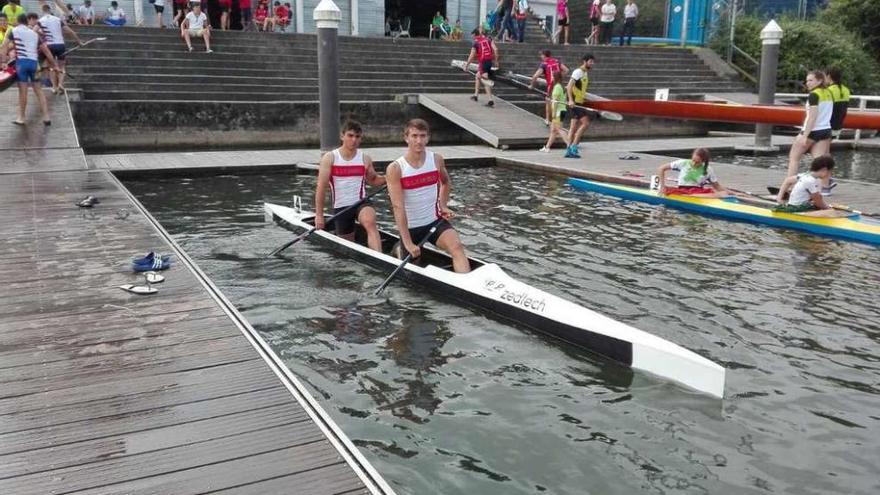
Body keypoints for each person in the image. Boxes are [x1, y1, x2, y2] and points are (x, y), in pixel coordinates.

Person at [386, 119, 470, 273]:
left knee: (457, 247)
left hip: (435, 222)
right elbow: (398, 207)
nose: (419, 141)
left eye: (422, 136)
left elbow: (445, 182)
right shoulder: (395, 168)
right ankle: (400, 246)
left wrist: (443, 205)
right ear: (406, 138)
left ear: (428, 138)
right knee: (411, 270)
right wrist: (408, 242)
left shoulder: (436, 160)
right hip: (411, 228)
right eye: (414, 136)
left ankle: (470, 289)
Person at [315, 120, 385, 251]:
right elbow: (321, 188)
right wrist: (319, 215)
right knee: (347, 248)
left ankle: (379, 256)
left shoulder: (365, 158)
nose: (354, 140)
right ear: (342, 136)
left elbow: (374, 180)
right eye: (350, 135)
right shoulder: (330, 158)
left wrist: (390, 178)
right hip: (341, 207)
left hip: (361, 202)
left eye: (357, 137)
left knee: (370, 222)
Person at [0, 13, 59, 125]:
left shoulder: (14, 31)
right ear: (27, 22)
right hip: (34, 64)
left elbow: (4, 46)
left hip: (22, 64)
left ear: (17, 21)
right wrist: (55, 65)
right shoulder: (34, 34)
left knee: (23, 92)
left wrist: (3, 62)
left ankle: (21, 118)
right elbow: (46, 51)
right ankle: (46, 117)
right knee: (39, 91)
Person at [785, 70, 832, 180]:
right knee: (820, 162)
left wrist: (804, 136)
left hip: (812, 130)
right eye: (807, 80)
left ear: (820, 80)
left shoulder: (814, 95)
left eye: (811, 80)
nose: (808, 83)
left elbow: (812, 117)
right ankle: (822, 187)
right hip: (825, 130)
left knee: (794, 158)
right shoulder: (828, 93)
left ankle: (790, 186)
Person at [38, 3, 83, 94]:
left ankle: (54, 87)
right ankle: (61, 84)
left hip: (50, 46)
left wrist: (40, 34)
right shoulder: (58, 19)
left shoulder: (41, 20)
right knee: (62, 66)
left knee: (52, 67)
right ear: (50, 10)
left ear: (42, 11)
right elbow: (70, 31)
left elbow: (33, 31)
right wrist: (79, 42)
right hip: (60, 45)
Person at [656, 148, 727, 197]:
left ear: (703, 161)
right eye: (693, 160)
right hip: (683, 191)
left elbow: (717, 186)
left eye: (697, 162)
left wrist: (732, 193)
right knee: (719, 194)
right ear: (692, 156)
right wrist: (662, 186)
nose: (694, 164)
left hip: (698, 191)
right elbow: (661, 168)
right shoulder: (682, 163)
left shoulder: (708, 169)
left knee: (722, 193)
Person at [565, 53, 595, 158]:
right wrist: (571, 100)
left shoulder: (585, 73)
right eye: (590, 61)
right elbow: (569, 87)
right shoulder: (578, 72)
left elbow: (581, 90)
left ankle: (568, 150)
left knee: (573, 127)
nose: (592, 64)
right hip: (575, 103)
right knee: (586, 123)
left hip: (579, 102)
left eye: (592, 62)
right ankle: (574, 147)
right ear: (585, 61)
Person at [529, 49, 568, 125]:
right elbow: (566, 70)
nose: (541, 57)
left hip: (551, 86)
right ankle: (557, 119)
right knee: (559, 102)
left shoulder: (544, 64)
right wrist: (559, 77)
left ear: (544, 55)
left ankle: (548, 119)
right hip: (560, 85)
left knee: (548, 102)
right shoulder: (557, 61)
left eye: (541, 55)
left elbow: (535, 76)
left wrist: (532, 85)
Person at [464, 27, 498, 107]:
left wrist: (467, 65)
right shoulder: (487, 40)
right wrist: (496, 60)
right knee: (477, 76)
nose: (473, 38)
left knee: (485, 81)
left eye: (473, 36)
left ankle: (490, 100)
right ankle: (476, 95)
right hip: (489, 62)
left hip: (483, 62)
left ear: (476, 35)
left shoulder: (476, 43)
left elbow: (471, 56)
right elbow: (494, 50)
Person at [540, 71, 570, 153]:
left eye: (553, 76)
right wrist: (550, 100)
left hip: (558, 111)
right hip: (562, 110)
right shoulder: (561, 87)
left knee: (559, 129)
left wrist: (553, 113)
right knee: (553, 130)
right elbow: (557, 99)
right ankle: (547, 147)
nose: (552, 78)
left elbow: (556, 101)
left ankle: (569, 145)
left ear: (556, 77)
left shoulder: (557, 87)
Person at [826, 67, 850, 139]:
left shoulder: (828, 90)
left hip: (827, 126)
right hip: (838, 126)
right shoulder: (846, 90)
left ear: (828, 76)